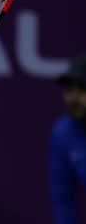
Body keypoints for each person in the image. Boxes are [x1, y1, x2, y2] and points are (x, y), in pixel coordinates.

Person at [49, 54, 86, 224]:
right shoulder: (63, 133)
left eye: (82, 88)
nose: (73, 97)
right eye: (69, 88)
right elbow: (64, 202)